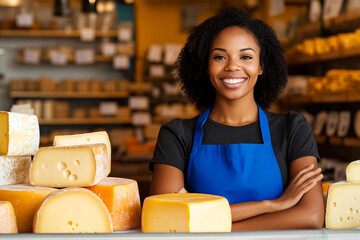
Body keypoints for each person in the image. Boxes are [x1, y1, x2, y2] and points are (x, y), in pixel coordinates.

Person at [149, 7, 324, 231]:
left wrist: (208, 222)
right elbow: (167, 218)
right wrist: (271, 205)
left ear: (261, 66)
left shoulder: (292, 129)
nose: (232, 66)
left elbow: (310, 216)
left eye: (246, 56)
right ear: (206, 66)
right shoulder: (177, 135)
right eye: (220, 56)